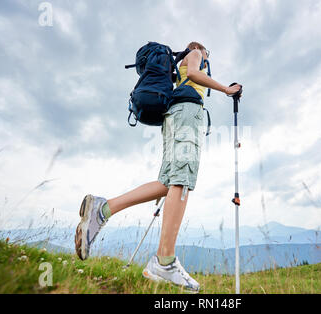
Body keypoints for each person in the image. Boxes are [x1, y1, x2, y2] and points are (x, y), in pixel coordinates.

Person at [75, 41, 242, 293]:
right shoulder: (195, 53)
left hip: (175, 116)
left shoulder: (177, 68)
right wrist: (226, 89)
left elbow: (189, 78)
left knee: (168, 184)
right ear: (200, 49)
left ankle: (103, 209)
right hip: (187, 114)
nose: (207, 57)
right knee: (182, 180)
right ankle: (164, 261)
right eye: (208, 53)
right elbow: (196, 74)